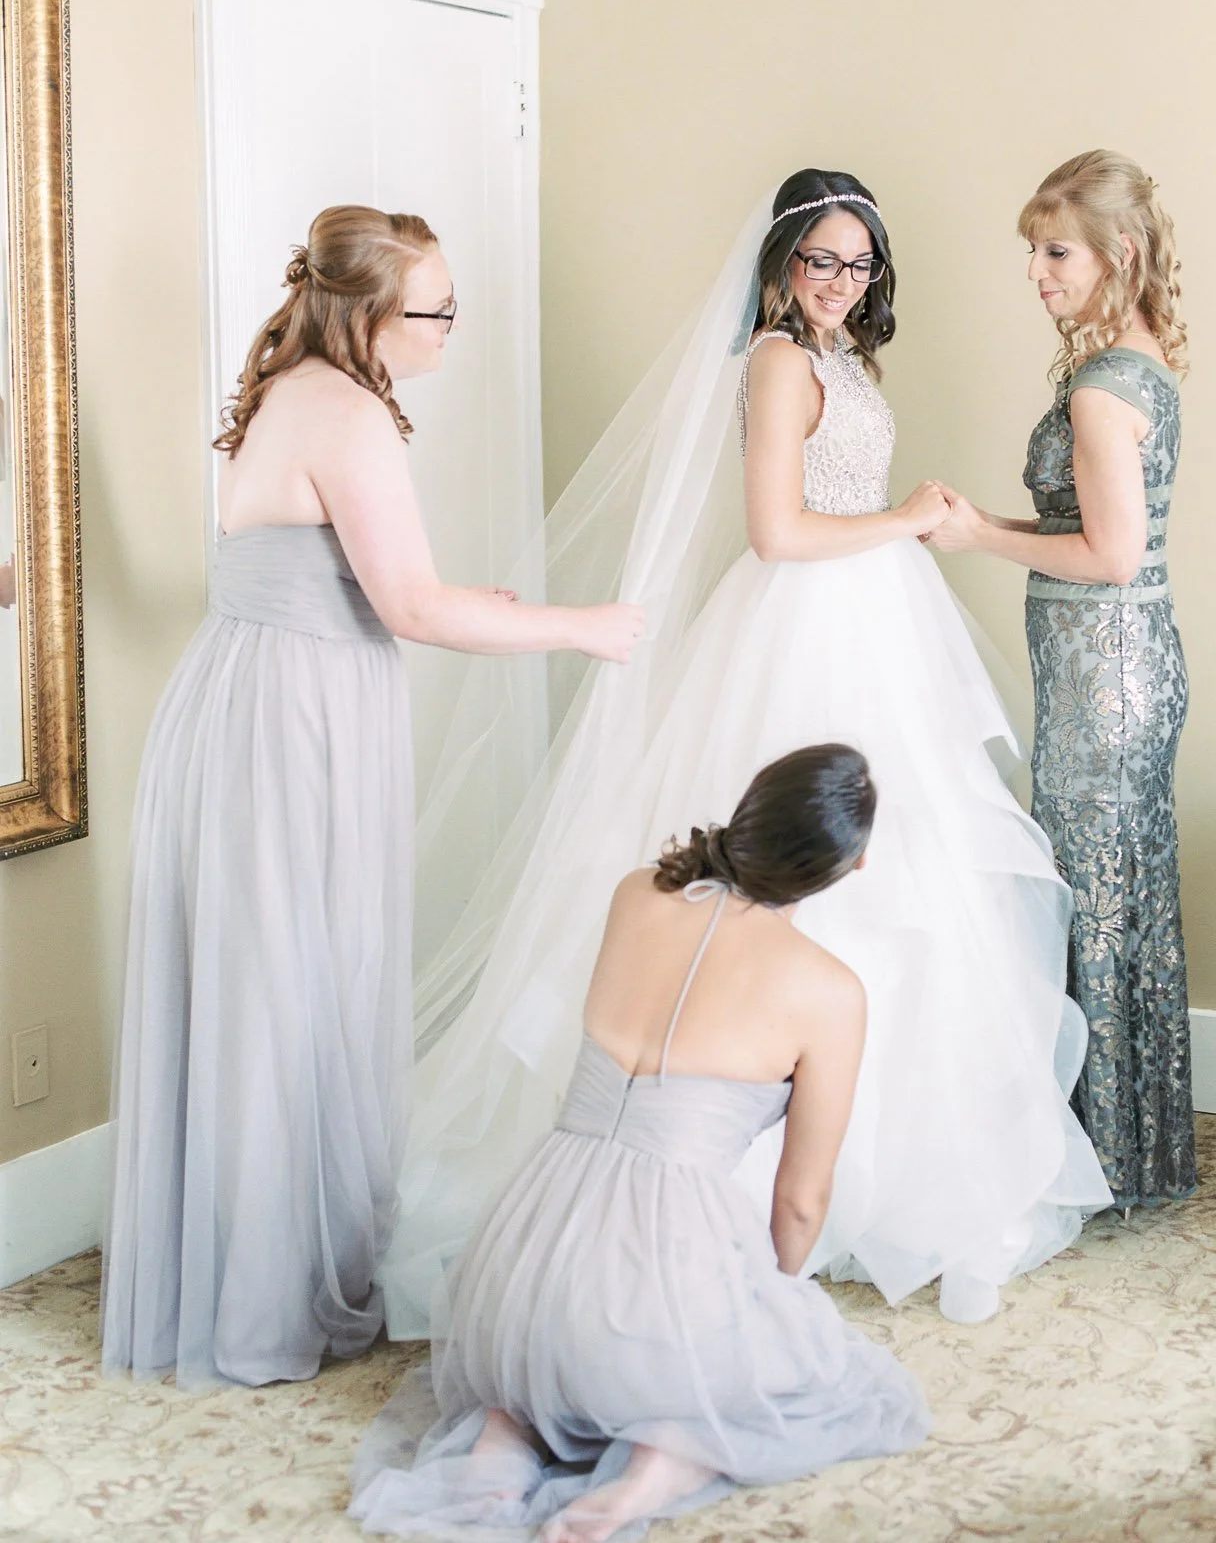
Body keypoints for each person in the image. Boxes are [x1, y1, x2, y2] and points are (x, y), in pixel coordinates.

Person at [381, 171, 1111, 1338]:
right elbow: (778, 531)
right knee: (812, 875)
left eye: (859, 263)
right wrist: (907, 521)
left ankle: (880, 1162)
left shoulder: (845, 358)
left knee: (910, 879)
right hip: (804, 623)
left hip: (874, 618)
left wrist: (899, 530)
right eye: (821, 261)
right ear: (782, 264)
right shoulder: (775, 361)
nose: (840, 282)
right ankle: (766, 1180)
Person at [100, 204, 643, 1388]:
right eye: (436, 311)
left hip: (247, 693)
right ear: (374, 313)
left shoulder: (290, 389)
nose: (450, 329)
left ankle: (249, 1269)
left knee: (264, 982)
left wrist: (474, 604)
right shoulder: (349, 413)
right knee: (287, 988)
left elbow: (347, 577)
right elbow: (409, 609)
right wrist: (582, 627)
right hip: (292, 716)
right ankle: (262, 1305)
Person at [350, 744, 930, 1542]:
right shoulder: (831, 992)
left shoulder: (636, 892)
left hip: (518, 1263)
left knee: (532, 1378)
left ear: (752, 811)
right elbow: (801, 1201)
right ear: (850, 865)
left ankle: (502, 1442)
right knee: (777, 1371)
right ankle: (652, 1468)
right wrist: (768, 1299)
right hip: (647, 1279)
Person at [929, 150, 1194, 1208]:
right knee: (1125, 898)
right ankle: (1133, 1153)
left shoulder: (1098, 389)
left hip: (1104, 681)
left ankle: (1097, 1162)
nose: (1036, 275)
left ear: (1116, 253)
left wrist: (977, 535)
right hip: (1132, 666)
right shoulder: (1140, 361)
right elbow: (1097, 530)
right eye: (1033, 255)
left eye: (1056, 254)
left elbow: (1109, 555)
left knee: (1093, 902)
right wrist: (993, 524)